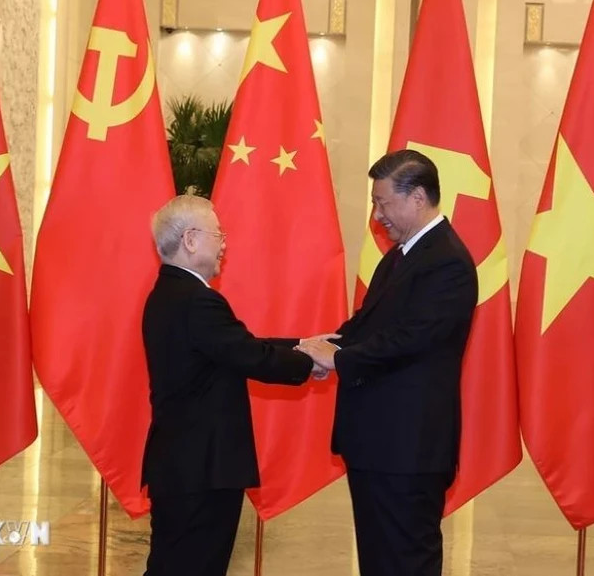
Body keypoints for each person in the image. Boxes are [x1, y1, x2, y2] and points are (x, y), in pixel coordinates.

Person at [298, 149, 478, 576]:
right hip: (380, 446)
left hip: (408, 449)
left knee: (405, 562)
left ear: (417, 197)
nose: (377, 215)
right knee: (380, 561)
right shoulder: (400, 257)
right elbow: (367, 326)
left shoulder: (448, 261)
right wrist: (315, 347)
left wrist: (340, 359)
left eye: (383, 203)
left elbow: (412, 339)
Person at [140, 195, 320, 576]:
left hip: (184, 467)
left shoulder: (170, 294)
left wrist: (303, 345)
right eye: (218, 234)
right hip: (201, 470)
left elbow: (236, 346)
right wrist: (315, 359)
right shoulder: (197, 300)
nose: (224, 243)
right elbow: (251, 356)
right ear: (190, 239)